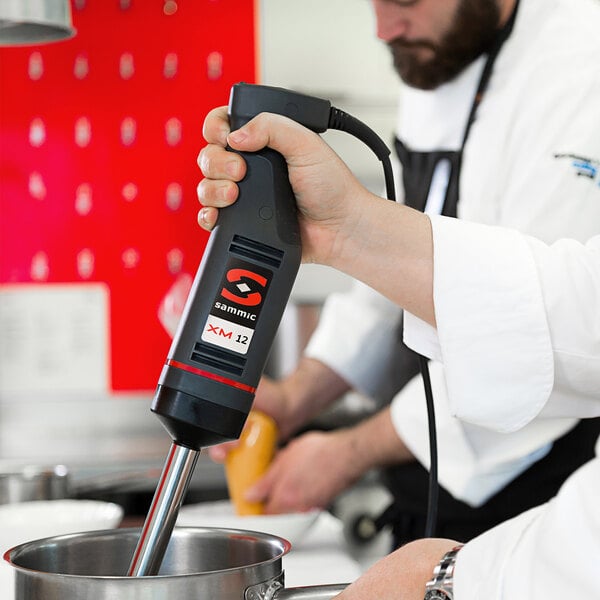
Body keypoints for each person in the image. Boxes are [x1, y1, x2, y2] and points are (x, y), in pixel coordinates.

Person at [209, 0, 600, 547]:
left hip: (532, 510)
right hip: (424, 492)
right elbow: (398, 262)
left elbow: (544, 325)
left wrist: (350, 451)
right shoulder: (437, 52)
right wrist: (300, 394)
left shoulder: (579, 65)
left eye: (405, 1)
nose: (383, 29)